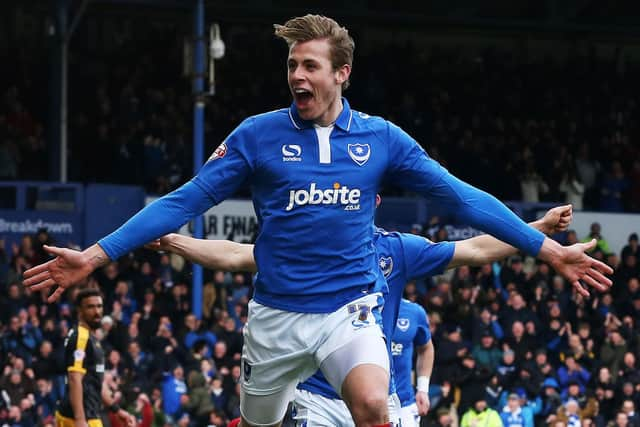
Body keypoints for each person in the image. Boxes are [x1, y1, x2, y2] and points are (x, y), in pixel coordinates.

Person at [24, 15, 611, 427]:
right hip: (275, 318)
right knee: (259, 420)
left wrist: (546, 250)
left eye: (310, 65)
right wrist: (97, 255)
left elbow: (462, 199)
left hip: (348, 311)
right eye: (291, 65)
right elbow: (185, 200)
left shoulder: (383, 140)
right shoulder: (256, 135)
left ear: (342, 74)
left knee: (373, 408)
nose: (297, 77)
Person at [145, 203, 573, 426]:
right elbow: (238, 256)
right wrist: (175, 242)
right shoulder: (303, 244)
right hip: (313, 398)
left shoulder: (396, 248)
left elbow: (476, 249)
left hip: (373, 401)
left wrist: (536, 230)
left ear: (372, 200)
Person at [55, 288, 135, 427]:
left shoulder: (92, 339)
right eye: (90, 307)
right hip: (81, 418)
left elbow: (96, 382)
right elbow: (74, 378)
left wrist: (117, 410)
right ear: (80, 311)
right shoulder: (81, 337)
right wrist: (80, 420)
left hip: (88, 414)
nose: (97, 311)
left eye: (99, 306)